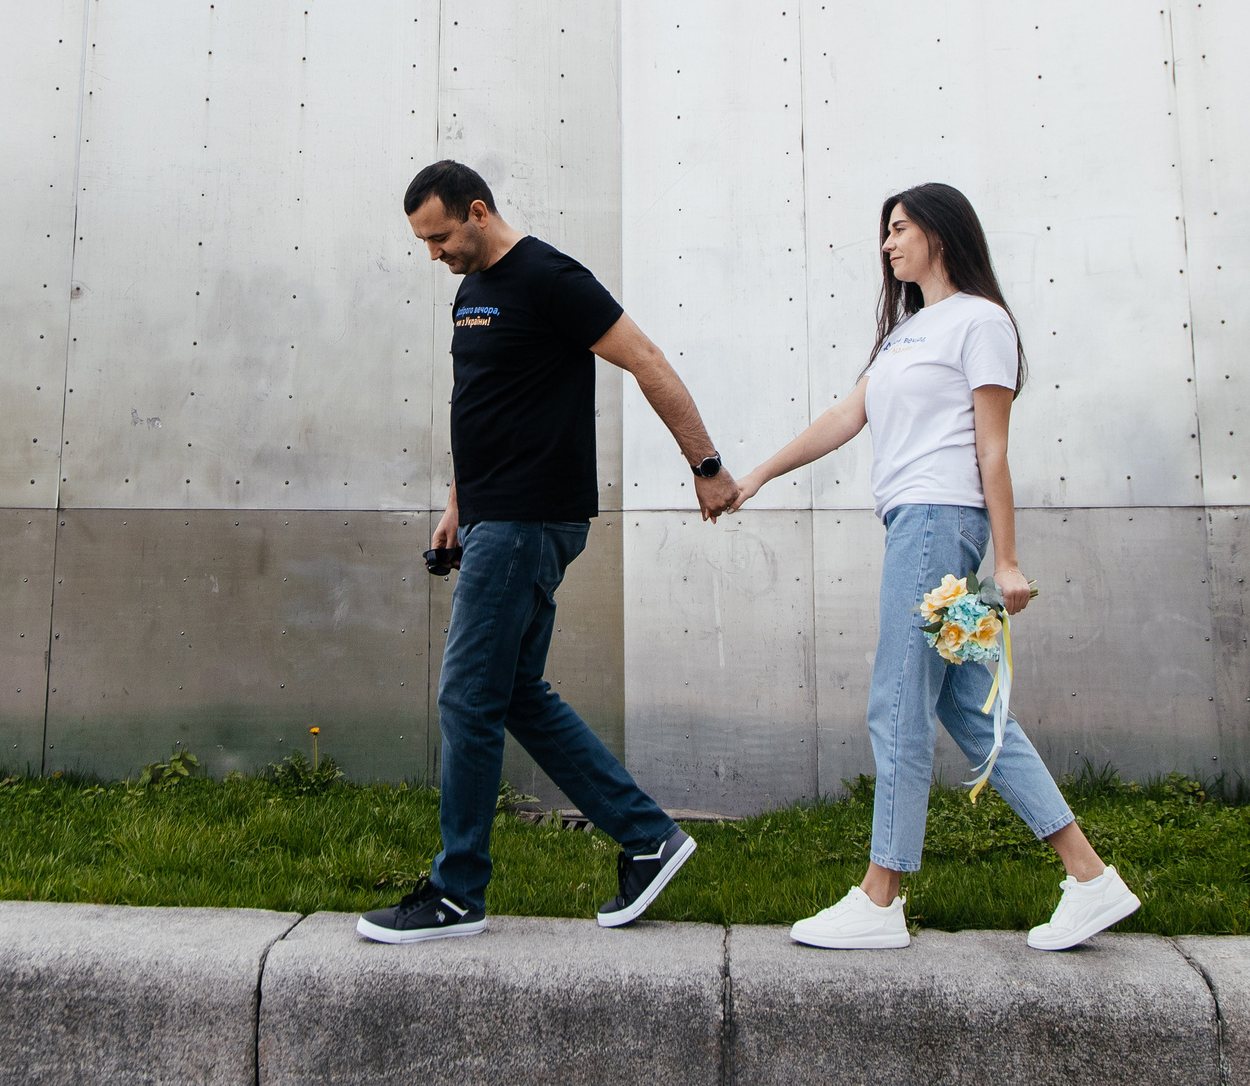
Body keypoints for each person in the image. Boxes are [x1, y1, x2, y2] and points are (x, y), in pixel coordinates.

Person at [727, 183, 1142, 952]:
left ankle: (880, 895)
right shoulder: (905, 333)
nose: (887, 244)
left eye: (899, 228)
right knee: (968, 707)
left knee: (897, 701)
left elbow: (992, 448)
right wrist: (756, 476)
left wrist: (1008, 559)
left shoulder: (981, 323)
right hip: (916, 527)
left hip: (939, 527)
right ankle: (1091, 878)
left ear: (940, 232)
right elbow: (843, 418)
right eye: (885, 232)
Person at [361, 160, 741, 944]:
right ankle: (648, 837)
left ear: (476, 210)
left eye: (440, 238)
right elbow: (481, 405)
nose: (435, 256)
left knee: (468, 695)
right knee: (514, 693)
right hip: (494, 516)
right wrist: (457, 505)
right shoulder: (471, 293)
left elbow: (648, 360)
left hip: (533, 516)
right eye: (425, 245)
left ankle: (458, 889)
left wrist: (705, 465)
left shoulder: (550, 276)